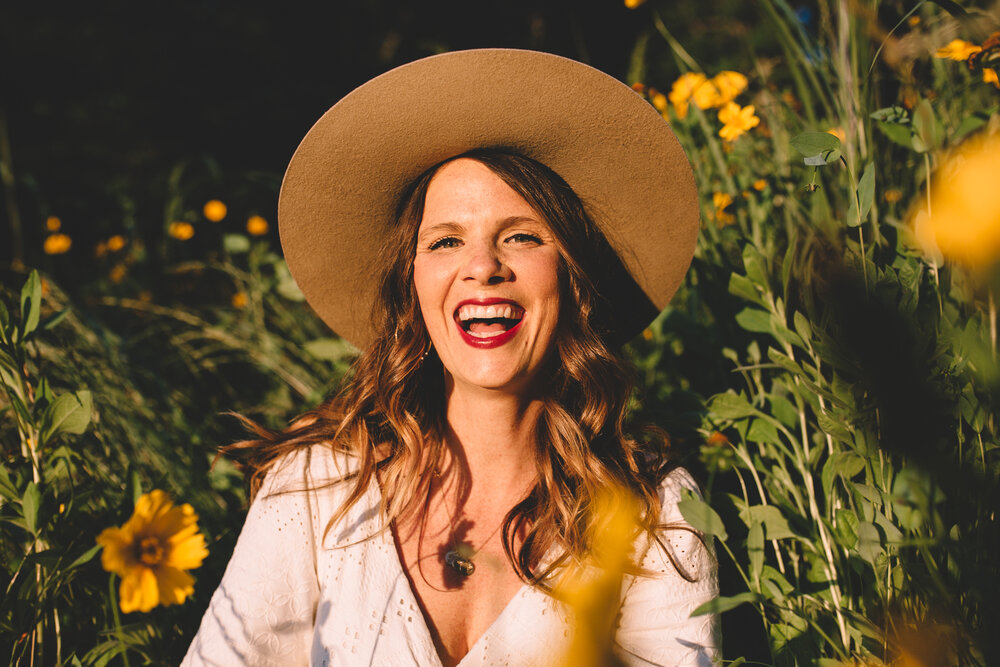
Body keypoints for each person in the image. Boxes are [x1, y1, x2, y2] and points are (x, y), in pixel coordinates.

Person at [182, 49, 718, 666]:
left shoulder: (656, 513)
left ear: (572, 278)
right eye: (445, 241)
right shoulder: (315, 492)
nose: (483, 267)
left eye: (521, 235)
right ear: (413, 287)